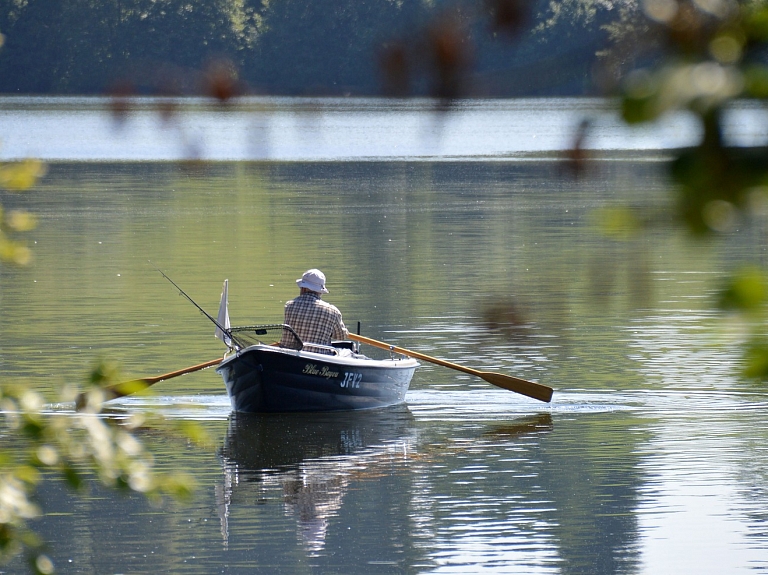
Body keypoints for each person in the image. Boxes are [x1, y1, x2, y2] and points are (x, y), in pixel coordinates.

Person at [280, 269, 349, 353]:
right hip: (318, 357)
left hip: (289, 356)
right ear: (320, 291)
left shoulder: (289, 306)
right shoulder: (332, 311)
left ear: (303, 288)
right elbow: (341, 336)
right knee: (347, 352)